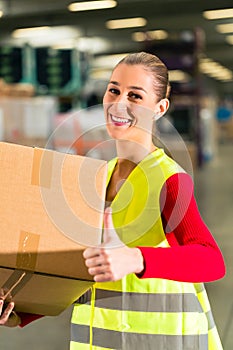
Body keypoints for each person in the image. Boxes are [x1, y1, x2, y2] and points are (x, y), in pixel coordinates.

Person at [0, 52, 225, 349]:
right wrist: (19, 312)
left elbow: (211, 260)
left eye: (135, 96)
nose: (119, 103)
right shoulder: (95, 178)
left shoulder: (169, 180)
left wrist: (136, 259)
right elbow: (76, 271)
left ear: (160, 108)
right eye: (114, 90)